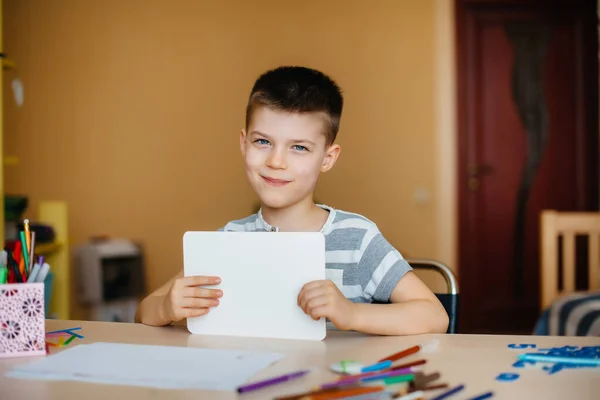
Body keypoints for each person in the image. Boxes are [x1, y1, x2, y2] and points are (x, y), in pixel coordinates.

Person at [135, 66, 449, 335]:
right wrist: (166, 306)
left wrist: (352, 315)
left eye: (299, 147)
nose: (276, 161)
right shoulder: (229, 240)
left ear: (327, 158)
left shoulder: (357, 239)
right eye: (263, 142)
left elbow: (435, 317)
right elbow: (143, 313)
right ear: (244, 144)